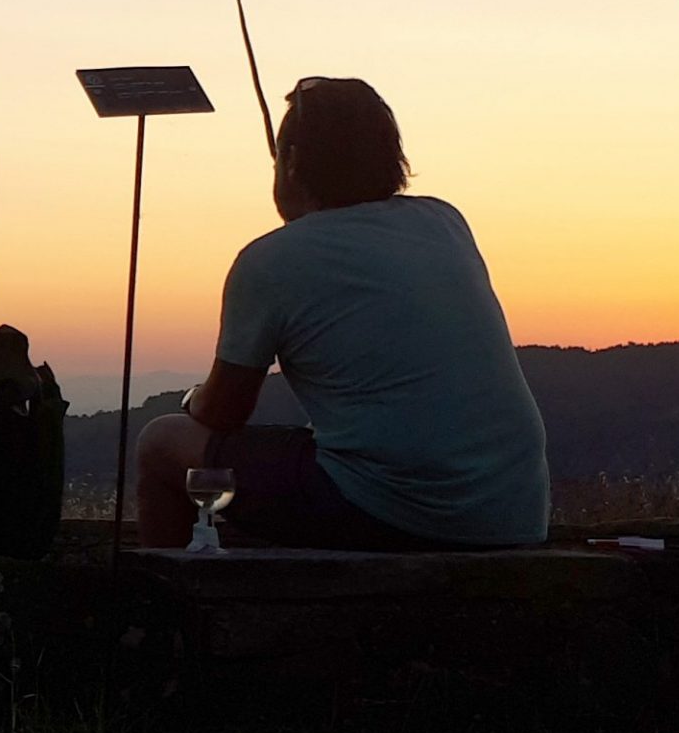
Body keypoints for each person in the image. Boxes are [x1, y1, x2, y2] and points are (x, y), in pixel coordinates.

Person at [133, 76, 547, 550]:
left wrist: (193, 401)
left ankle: (161, 610)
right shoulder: (444, 221)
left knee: (162, 443)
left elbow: (224, 411)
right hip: (513, 512)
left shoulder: (271, 260)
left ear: (289, 161)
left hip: (390, 510)